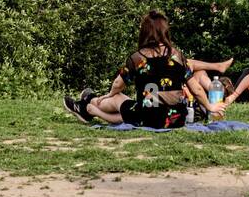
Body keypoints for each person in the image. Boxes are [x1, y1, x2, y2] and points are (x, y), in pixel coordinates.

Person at [66, 11, 227, 128]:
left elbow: (117, 84)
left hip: (147, 117)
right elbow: (197, 89)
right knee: (131, 110)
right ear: (165, 32)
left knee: (118, 98)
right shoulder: (178, 56)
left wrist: (109, 94)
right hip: (176, 119)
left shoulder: (137, 58)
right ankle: (89, 108)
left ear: (144, 32)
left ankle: (89, 104)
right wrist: (210, 106)